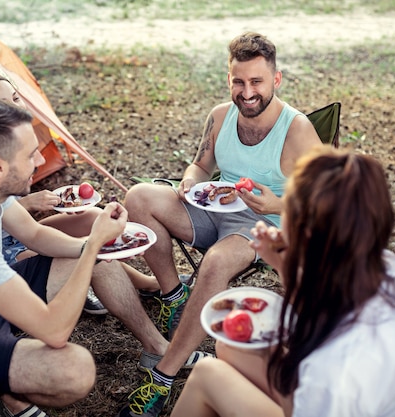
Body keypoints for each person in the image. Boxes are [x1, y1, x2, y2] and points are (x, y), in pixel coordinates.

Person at [0, 98, 205, 417]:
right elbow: (54, 331)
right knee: (75, 371)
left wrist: (90, 245)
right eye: (30, 155)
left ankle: (155, 347)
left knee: (89, 252)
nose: (40, 159)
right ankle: (5, 393)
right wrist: (92, 247)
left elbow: (35, 235)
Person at [118, 32, 322, 416]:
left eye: (257, 82)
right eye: (239, 82)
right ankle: (175, 297)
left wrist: (276, 202)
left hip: (263, 225)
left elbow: (325, 199)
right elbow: (200, 164)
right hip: (215, 207)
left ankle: (162, 376)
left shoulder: (296, 131)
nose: (247, 92)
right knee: (139, 197)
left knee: (214, 262)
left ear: (276, 80)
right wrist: (192, 180)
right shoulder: (220, 116)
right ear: (229, 79)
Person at [169, 146, 395, 417]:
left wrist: (264, 347)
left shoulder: (330, 353)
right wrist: (283, 264)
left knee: (208, 374)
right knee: (231, 345)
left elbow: (298, 406)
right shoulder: (389, 266)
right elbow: (316, 301)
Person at [0, 75, 167, 313]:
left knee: (92, 217)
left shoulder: (14, 144)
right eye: (3, 103)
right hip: (1, 252)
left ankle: (145, 284)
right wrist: (28, 204)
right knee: (85, 251)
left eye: (17, 98)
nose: (16, 106)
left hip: (21, 232)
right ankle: (84, 285)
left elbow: (28, 228)